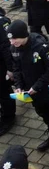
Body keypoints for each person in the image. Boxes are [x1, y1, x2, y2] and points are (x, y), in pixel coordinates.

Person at [8, 20, 49, 151]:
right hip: (33, 91)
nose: (12, 42)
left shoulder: (42, 47)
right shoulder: (14, 48)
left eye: (15, 39)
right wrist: (19, 85)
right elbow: (16, 67)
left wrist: (37, 86)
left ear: (23, 35)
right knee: (43, 113)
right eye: (10, 39)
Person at [0, 8, 15, 136]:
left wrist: (10, 69)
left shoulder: (2, 23)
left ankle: (8, 117)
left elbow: (7, 48)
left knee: (4, 92)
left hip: (2, 64)